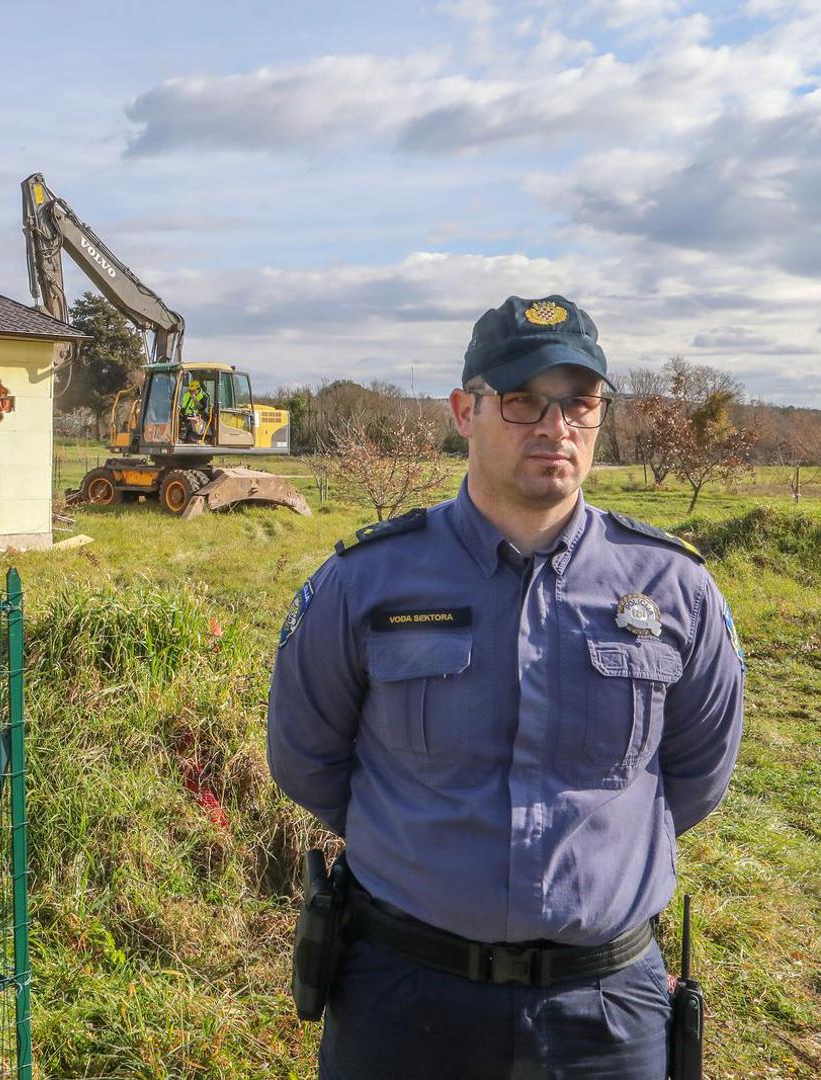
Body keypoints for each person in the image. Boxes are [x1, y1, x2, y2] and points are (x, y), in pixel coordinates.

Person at [268, 295, 745, 1078]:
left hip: (607, 1014)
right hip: (405, 995)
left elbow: (694, 775)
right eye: (523, 400)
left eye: (580, 402)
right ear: (465, 410)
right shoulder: (366, 581)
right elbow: (306, 759)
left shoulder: (674, 587)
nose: (556, 426)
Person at [180, 376, 211, 442]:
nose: (191, 392)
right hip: (187, 415)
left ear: (198, 389)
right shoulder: (186, 395)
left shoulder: (204, 396)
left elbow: (202, 408)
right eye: (190, 390)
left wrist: (194, 399)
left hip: (200, 417)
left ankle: (182, 438)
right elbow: (183, 407)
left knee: (187, 423)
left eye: (193, 391)